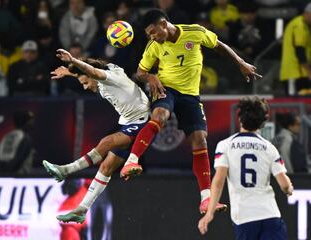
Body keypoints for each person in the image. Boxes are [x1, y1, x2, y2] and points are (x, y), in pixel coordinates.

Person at [120, 9, 261, 213]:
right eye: (148, 34)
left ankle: (206, 199)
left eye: (153, 32)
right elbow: (141, 72)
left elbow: (219, 46)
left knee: (200, 139)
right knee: (160, 116)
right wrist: (151, 77)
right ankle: (131, 162)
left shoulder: (194, 32)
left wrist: (240, 63)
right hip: (166, 89)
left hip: (190, 96)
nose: (151, 37)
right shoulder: (154, 46)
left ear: (163, 24)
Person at [42, 48, 149, 223]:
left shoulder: (107, 78)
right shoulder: (110, 71)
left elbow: (92, 71)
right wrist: (70, 73)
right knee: (106, 167)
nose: (85, 87)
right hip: (127, 121)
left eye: (85, 83)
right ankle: (82, 209)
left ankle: (65, 170)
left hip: (142, 120)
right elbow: (91, 70)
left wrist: (73, 61)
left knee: (106, 142)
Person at [198, 96, 293, 239]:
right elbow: (284, 184)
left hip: (244, 218)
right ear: (262, 122)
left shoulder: (226, 145)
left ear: (240, 118)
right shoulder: (269, 148)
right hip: (270, 215)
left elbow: (218, 181)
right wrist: (289, 189)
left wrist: (210, 213)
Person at [280, 2, 311, 96]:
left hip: (302, 73)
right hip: (294, 74)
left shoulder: (305, 26)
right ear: (306, 13)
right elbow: (299, 50)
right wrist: (309, 71)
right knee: (293, 103)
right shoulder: (299, 25)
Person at [0, 110, 35, 174]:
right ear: (26, 122)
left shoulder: (6, 136)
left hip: (1, 175)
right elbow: (19, 159)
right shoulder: (25, 138)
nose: (32, 123)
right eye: (30, 121)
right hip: (18, 177)